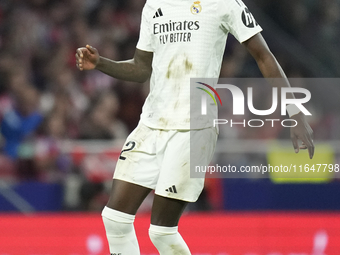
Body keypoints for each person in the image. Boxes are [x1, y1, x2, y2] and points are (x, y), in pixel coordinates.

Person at [76, 0, 314, 254]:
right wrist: (101, 63)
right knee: (115, 219)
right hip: (151, 124)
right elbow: (141, 67)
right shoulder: (154, 5)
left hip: (193, 128)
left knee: (161, 232)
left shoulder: (224, 4)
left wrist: (295, 113)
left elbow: (263, 56)